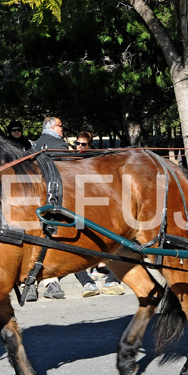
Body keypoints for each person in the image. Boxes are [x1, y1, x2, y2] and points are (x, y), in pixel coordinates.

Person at [70, 132, 126, 296]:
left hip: (96, 207)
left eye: (83, 145)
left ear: (90, 145)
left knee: (107, 242)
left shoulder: (96, 161)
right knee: (77, 245)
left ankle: (110, 277)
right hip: (78, 208)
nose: (79, 147)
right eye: (77, 144)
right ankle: (87, 282)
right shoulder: (70, 160)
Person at [32, 116, 70, 299]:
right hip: (57, 199)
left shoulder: (34, 146)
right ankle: (50, 282)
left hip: (34, 200)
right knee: (52, 239)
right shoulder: (60, 146)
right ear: (54, 127)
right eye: (61, 126)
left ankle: (30, 282)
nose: (63, 129)